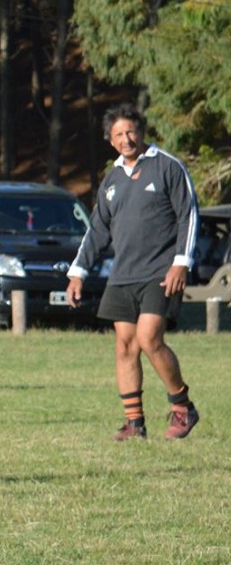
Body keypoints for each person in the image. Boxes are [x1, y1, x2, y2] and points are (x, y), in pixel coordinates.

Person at [67, 103, 202, 440]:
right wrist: (78, 271)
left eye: (130, 131)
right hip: (123, 275)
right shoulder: (111, 179)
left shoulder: (168, 167)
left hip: (161, 272)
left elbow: (189, 215)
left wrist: (181, 263)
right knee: (125, 346)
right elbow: (97, 229)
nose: (126, 139)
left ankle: (183, 407)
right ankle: (134, 423)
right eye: (118, 135)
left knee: (148, 338)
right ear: (110, 141)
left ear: (141, 131)